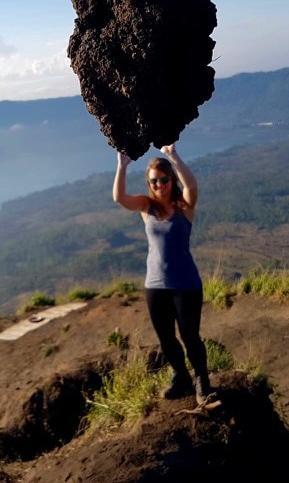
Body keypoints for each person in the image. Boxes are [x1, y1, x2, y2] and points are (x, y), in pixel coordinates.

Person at [112, 143, 211, 404]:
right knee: (166, 338)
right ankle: (181, 377)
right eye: (155, 181)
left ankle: (202, 380)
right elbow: (119, 198)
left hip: (186, 284)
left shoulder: (184, 207)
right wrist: (121, 166)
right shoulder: (147, 207)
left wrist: (172, 155)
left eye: (165, 180)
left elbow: (191, 186)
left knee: (190, 336)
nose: (160, 185)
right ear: (149, 182)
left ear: (171, 180)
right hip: (155, 284)